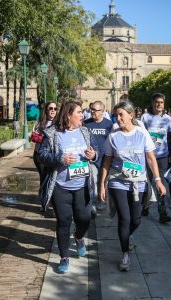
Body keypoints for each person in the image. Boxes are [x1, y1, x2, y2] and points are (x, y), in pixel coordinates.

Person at [99, 101, 166, 271]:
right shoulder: (113, 136)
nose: (118, 118)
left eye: (121, 114)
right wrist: (102, 184)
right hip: (118, 182)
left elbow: (151, 158)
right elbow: (106, 161)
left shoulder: (142, 134)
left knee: (136, 220)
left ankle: (128, 236)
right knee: (125, 218)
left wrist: (157, 179)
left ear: (131, 115)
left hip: (139, 183)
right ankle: (125, 254)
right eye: (116, 115)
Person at [38, 100, 99, 274]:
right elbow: (41, 155)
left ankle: (79, 237)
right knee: (64, 221)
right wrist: (60, 159)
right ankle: (64, 257)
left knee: (84, 218)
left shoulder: (85, 131)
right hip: (60, 186)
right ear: (68, 115)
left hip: (82, 185)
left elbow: (97, 151)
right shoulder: (51, 133)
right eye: (79, 112)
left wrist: (93, 154)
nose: (83, 115)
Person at [141, 92, 171, 223]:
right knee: (146, 182)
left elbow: (169, 137)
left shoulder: (168, 119)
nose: (159, 104)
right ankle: (145, 206)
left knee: (162, 183)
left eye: (161, 102)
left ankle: (163, 212)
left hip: (162, 156)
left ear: (164, 104)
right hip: (148, 156)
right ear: (152, 103)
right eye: (156, 102)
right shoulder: (145, 117)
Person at [84, 100, 113, 214]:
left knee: (104, 181)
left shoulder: (109, 125)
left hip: (106, 158)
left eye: (96, 110)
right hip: (92, 158)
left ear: (102, 111)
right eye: (92, 109)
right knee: (94, 180)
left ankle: (102, 201)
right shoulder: (86, 123)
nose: (93, 112)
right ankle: (94, 203)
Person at [32, 101, 58, 190]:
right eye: (50, 108)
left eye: (55, 109)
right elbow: (34, 137)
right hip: (40, 155)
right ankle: (44, 201)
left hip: (54, 155)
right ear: (46, 110)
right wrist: (46, 139)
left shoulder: (59, 123)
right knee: (44, 179)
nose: (53, 110)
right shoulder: (40, 122)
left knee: (54, 179)